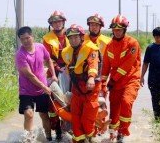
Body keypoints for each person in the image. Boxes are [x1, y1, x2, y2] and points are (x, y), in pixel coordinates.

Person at [101, 14, 141, 143]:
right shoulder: (109, 46)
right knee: (114, 107)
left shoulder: (132, 43)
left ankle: (123, 132)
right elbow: (106, 67)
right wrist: (102, 83)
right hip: (115, 82)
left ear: (125, 29)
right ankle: (113, 133)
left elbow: (127, 64)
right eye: (115, 29)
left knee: (126, 102)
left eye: (120, 29)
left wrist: (112, 80)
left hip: (131, 79)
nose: (117, 32)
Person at [15, 26, 58, 142]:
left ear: (32, 37)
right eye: (22, 39)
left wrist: (53, 75)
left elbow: (48, 60)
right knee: (29, 114)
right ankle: (28, 139)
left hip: (41, 90)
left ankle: (48, 139)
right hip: (26, 90)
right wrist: (44, 87)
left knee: (44, 115)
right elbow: (30, 75)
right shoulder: (20, 55)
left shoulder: (40, 47)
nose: (25, 41)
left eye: (27, 38)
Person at [61, 24, 101, 143]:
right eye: (71, 38)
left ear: (82, 37)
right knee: (76, 119)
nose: (73, 40)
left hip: (90, 89)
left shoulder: (91, 49)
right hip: (77, 89)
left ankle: (91, 137)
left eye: (76, 37)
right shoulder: (67, 52)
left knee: (87, 121)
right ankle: (78, 140)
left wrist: (91, 78)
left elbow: (93, 64)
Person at [43, 10, 69, 140]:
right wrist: (57, 68)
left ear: (63, 22)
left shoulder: (71, 34)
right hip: (54, 72)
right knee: (53, 102)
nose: (57, 24)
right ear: (51, 24)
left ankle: (72, 127)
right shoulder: (47, 39)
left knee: (73, 97)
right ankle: (57, 129)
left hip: (71, 71)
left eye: (59, 22)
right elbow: (48, 58)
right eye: (55, 22)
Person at [85, 13, 111, 97]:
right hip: (84, 73)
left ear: (100, 27)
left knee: (101, 97)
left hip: (102, 74)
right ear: (89, 26)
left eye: (96, 25)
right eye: (92, 25)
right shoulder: (82, 39)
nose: (94, 27)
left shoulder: (108, 41)